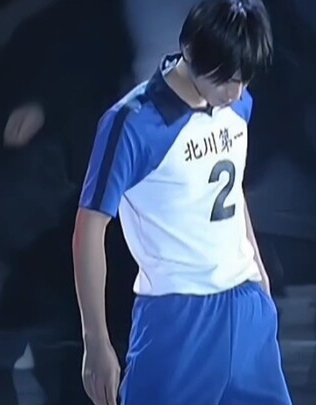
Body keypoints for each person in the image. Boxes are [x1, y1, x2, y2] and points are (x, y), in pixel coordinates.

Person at [72, 0, 292, 404]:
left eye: (244, 79)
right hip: (178, 316)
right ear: (192, 51)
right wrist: (96, 340)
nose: (236, 92)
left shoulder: (237, 105)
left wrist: (259, 274)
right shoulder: (134, 123)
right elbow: (89, 227)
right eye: (226, 79)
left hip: (247, 306)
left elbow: (232, 190)